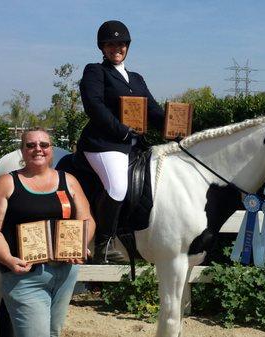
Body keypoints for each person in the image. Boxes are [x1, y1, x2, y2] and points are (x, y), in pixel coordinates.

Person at [0, 127, 95, 337]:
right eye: (30, 145)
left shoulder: (69, 181)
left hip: (65, 273)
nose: (37, 149)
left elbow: (86, 219)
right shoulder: (6, 183)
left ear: (51, 149)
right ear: (22, 151)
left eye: (44, 145)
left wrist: (80, 244)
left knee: (53, 332)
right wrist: (8, 259)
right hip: (24, 275)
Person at [78, 20, 165, 263]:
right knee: (117, 186)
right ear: (102, 48)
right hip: (104, 143)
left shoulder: (136, 78)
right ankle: (104, 243)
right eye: (110, 44)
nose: (116, 48)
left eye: (120, 43)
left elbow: (152, 109)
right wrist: (123, 131)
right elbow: (94, 106)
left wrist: (174, 126)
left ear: (127, 46)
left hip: (134, 143)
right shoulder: (95, 71)